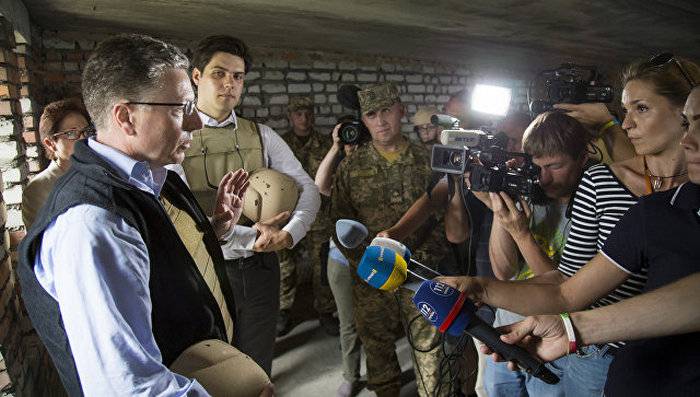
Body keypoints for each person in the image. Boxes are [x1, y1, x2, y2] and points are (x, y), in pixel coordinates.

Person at [16, 34, 269, 396]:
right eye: (181, 109)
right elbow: (128, 388)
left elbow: (159, 261)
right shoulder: (93, 225)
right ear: (126, 117)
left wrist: (216, 230)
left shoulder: (149, 175)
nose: (196, 123)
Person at [438, 54, 700, 396]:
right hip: (614, 358)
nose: (627, 124)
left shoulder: (673, 200)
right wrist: (481, 287)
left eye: (642, 108)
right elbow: (567, 288)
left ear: (684, 114)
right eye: (625, 111)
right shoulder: (638, 204)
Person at [181, 35, 321, 375]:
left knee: (257, 368)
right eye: (219, 73)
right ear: (196, 77)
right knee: (210, 372)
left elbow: (308, 188)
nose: (229, 83)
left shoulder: (262, 135)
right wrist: (248, 237)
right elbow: (176, 215)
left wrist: (288, 235)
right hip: (201, 271)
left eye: (238, 76)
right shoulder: (176, 137)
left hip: (259, 271)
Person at [331, 82, 451, 397]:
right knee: (377, 347)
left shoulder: (428, 160)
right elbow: (340, 222)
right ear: (364, 120)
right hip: (371, 275)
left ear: (401, 111)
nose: (381, 121)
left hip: (421, 272)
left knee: (430, 348)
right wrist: (364, 265)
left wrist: (429, 256)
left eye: (387, 111)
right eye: (372, 114)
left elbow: (443, 214)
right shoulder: (352, 166)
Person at [478, 111, 592, 397]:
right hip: (506, 326)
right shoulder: (529, 189)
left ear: (582, 158)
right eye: (537, 166)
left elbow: (564, 291)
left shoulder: (594, 203)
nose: (544, 177)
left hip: (551, 338)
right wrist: (500, 208)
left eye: (555, 166)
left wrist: (521, 233)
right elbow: (504, 272)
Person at [277, 95, 338, 336]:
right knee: (285, 267)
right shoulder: (279, 145)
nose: (304, 119)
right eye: (298, 114)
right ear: (290, 117)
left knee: (321, 266)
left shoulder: (326, 144)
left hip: (319, 216)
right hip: (286, 215)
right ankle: (283, 311)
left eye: (308, 113)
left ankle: (326, 311)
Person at [316, 124, 363, 396]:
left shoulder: (381, 175)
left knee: (380, 322)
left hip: (374, 259)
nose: (352, 147)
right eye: (347, 144)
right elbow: (320, 184)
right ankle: (351, 374)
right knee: (348, 323)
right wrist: (335, 146)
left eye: (358, 142)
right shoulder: (340, 179)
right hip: (342, 260)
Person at [21, 98, 91, 227]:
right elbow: (39, 243)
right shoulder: (38, 190)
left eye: (86, 131)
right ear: (50, 143)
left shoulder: (102, 173)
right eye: (71, 133)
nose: (84, 139)